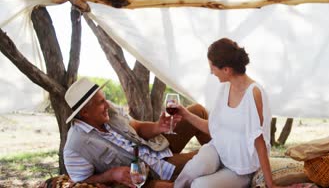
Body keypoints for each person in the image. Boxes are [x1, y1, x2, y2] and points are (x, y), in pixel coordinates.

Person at [63, 77, 211, 187]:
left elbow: (137, 127)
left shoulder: (109, 111)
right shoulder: (75, 146)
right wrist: (111, 174)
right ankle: (227, 159)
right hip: (153, 169)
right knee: (209, 154)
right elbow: (80, 181)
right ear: (85, 112)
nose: (107, 104)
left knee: (198, 111)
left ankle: (223, 152)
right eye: (101, 102)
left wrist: (158, 127)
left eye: (105, 99)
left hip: (155, 145)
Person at [173, 37, 278, 188]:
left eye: (212, 67)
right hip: (218, 151)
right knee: (194, 168)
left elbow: (259, 142)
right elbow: (212, 128)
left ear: (226, 69)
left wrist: (271, 184)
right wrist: (185, 113)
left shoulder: (254, 93)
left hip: (240, 169)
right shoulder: (224, 89)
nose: (211, 72)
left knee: (199, 186)